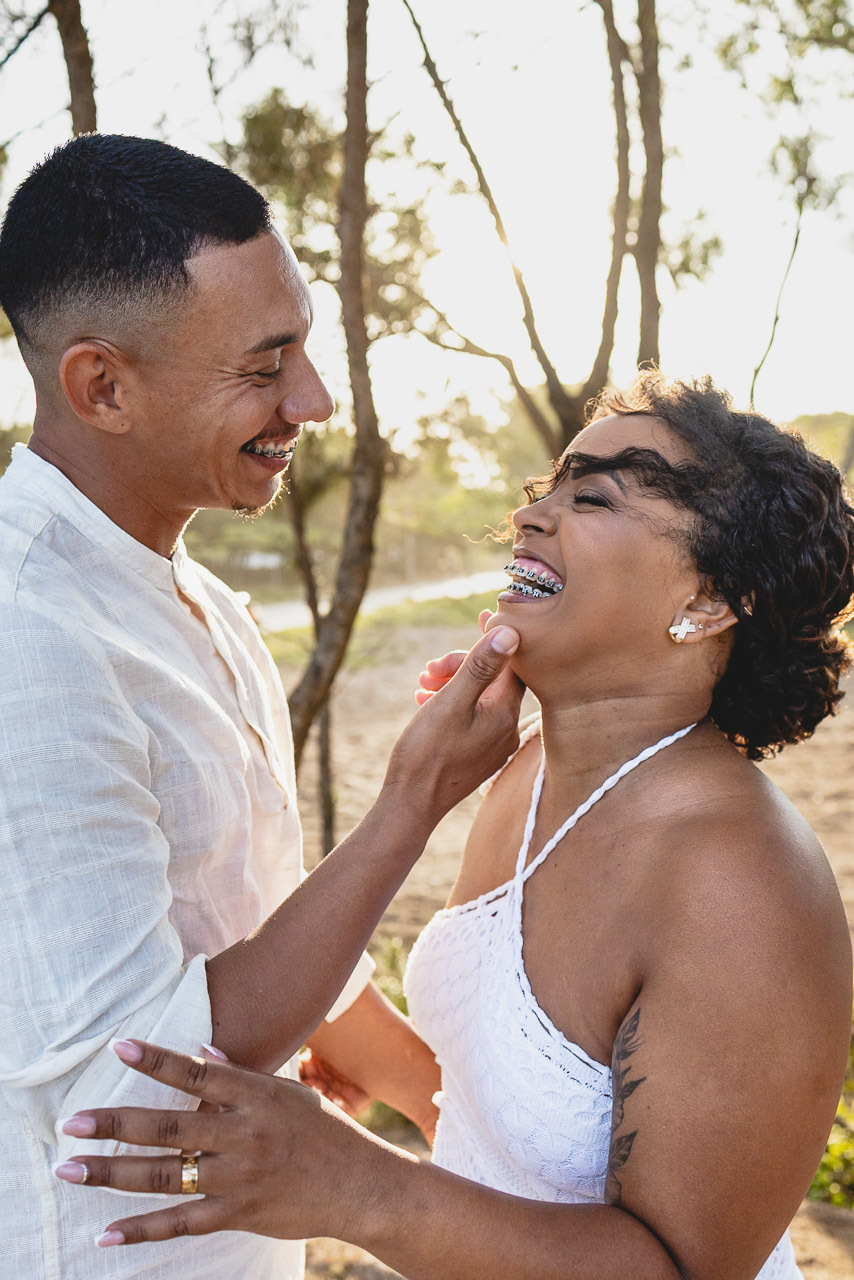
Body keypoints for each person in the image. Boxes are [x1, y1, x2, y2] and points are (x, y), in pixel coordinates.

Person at [59, 374, 854, 1280]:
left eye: (593, 496)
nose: (534, 515)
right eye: (547, 487)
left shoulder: (740, 879)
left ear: (710, 602)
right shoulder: (526, 775)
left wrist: (355, 1185)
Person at [0, 133, 525, 1279]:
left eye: (306, 349)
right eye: (264, 364)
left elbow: (259, 932)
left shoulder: (205, 602)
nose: (315, 398)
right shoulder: (24, 635)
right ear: (103, 385)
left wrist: (463, 1127)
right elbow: (130, 1077)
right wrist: (411, 802)